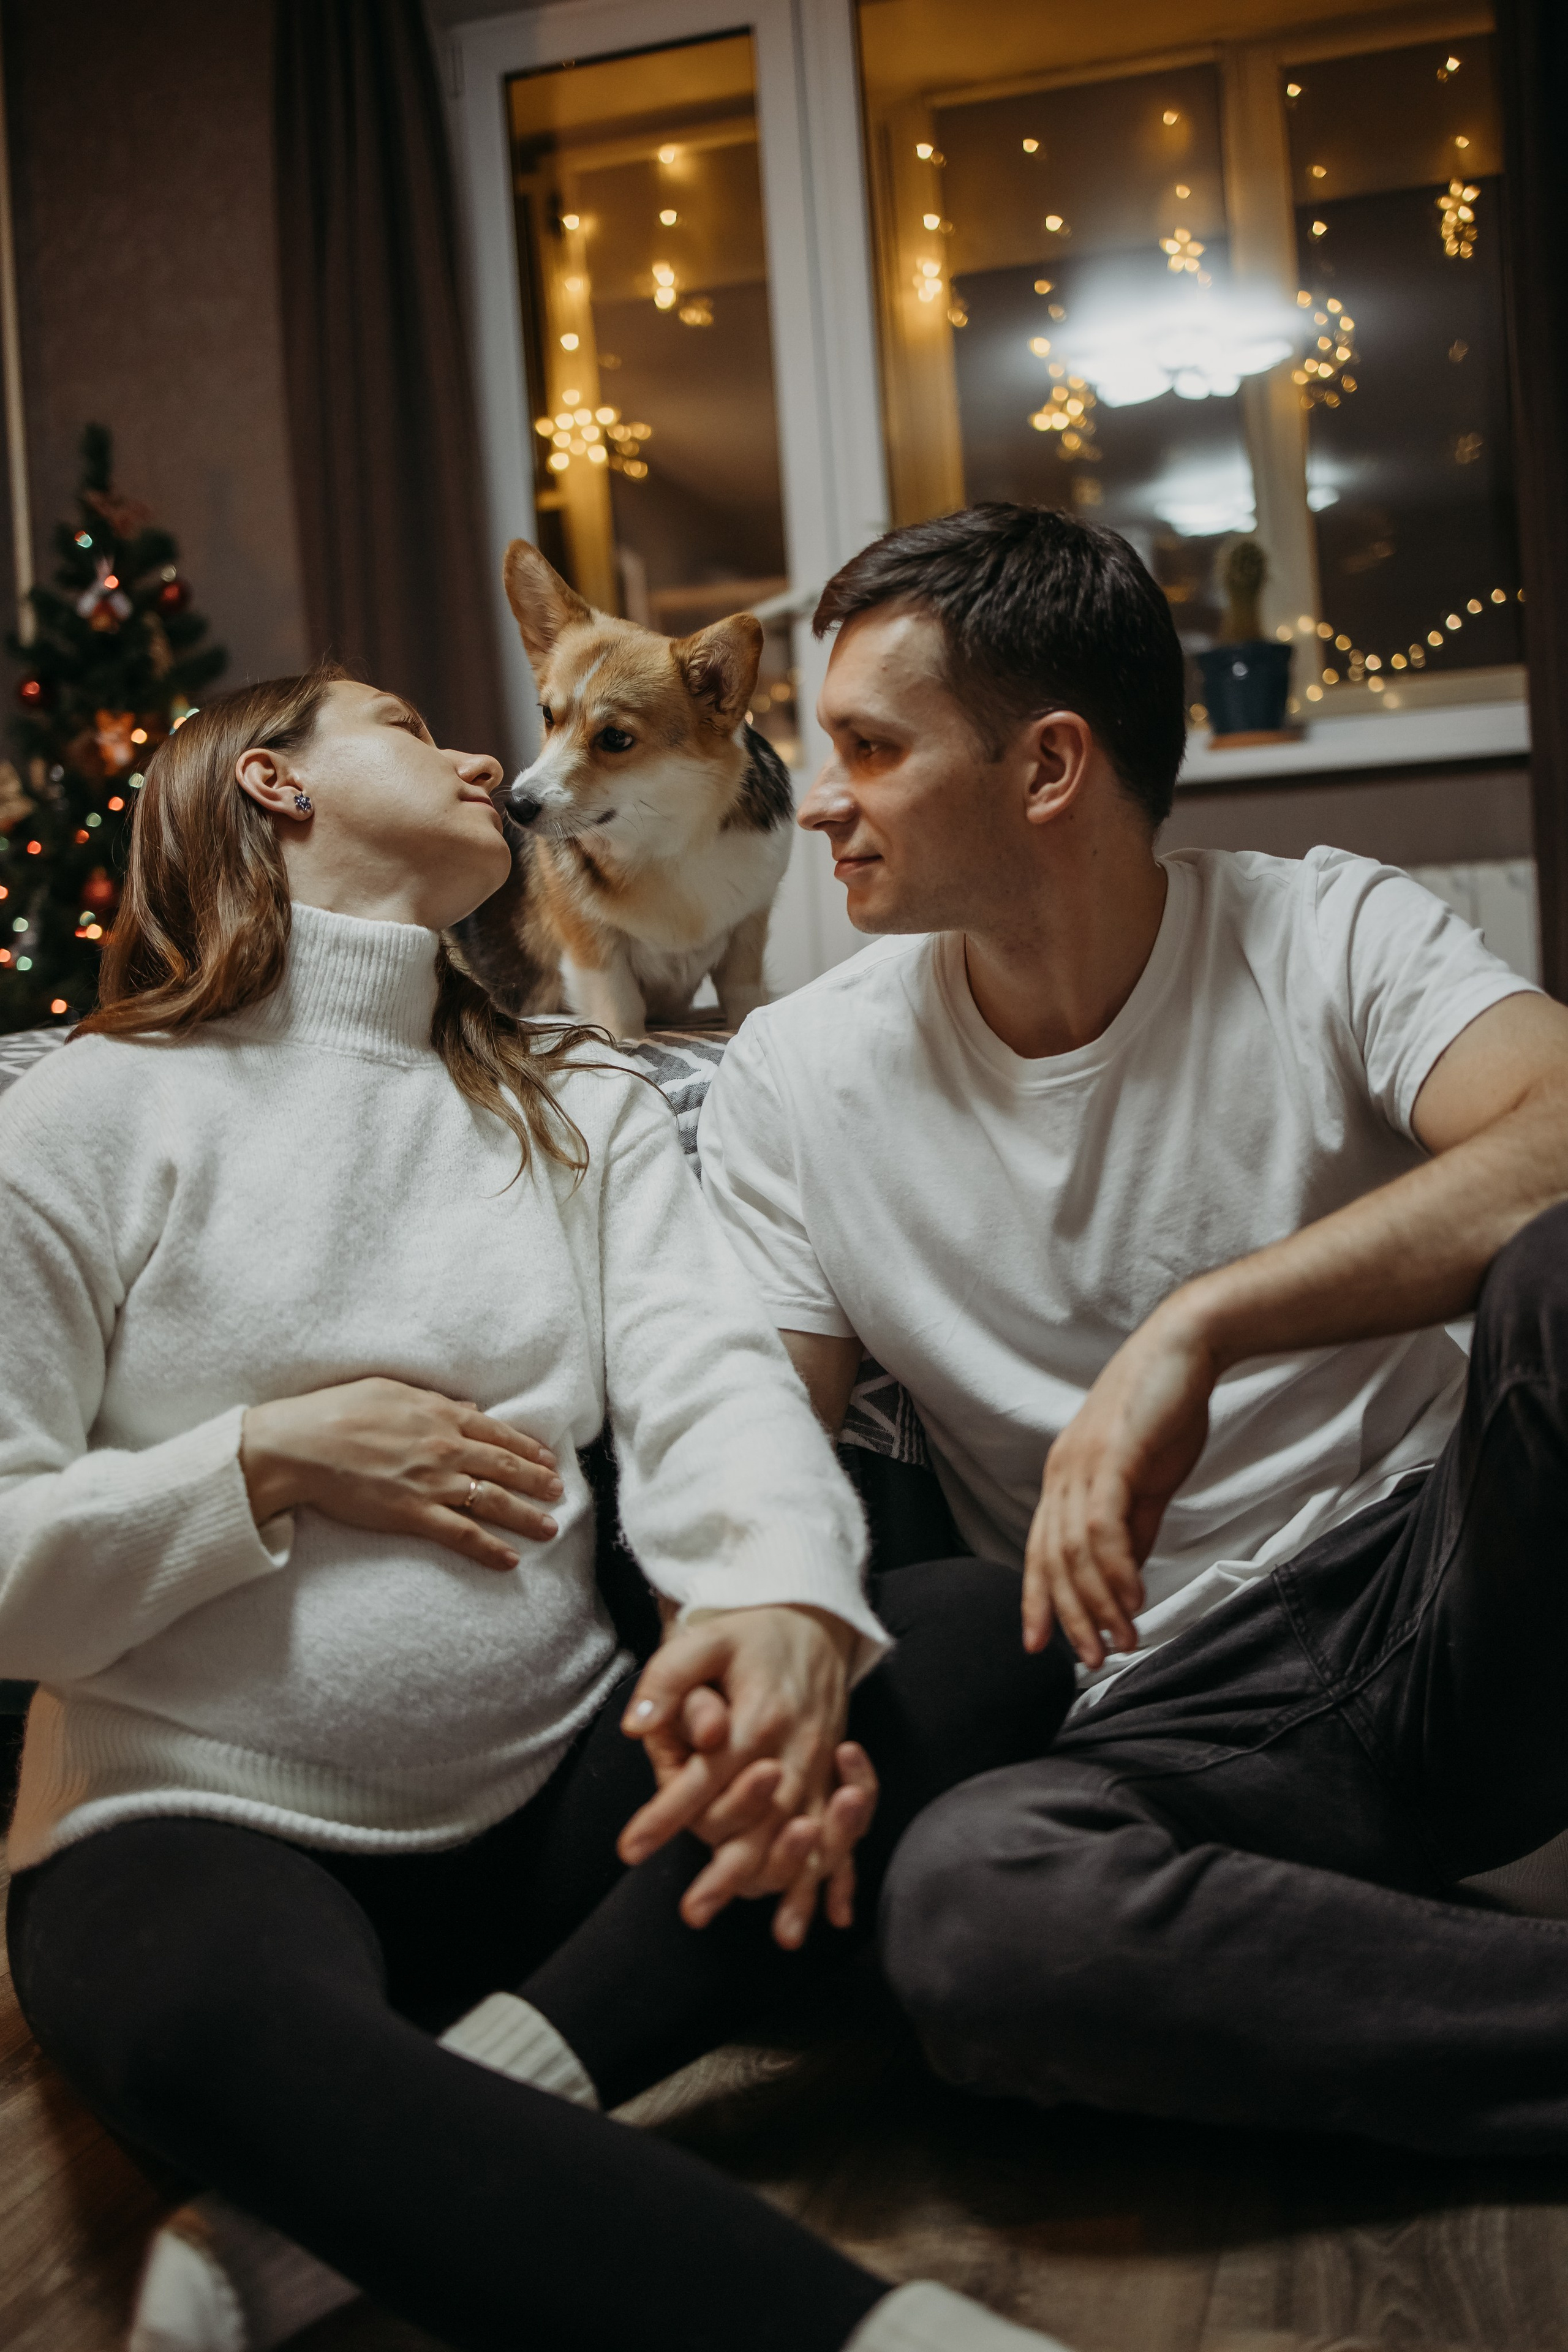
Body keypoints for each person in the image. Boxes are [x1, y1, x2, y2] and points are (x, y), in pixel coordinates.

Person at [0, 666, 1080, 2352]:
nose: (485, 757)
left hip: (571, 1811)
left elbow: (710, 1382)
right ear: (273, 789)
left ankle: (368, 2173)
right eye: (410, 732)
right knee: (182, 2018)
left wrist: (775, 1614)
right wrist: (263, 1459)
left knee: (978, 1635)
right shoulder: (84, 1116)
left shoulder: (577, 1101)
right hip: (210, 1828)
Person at [698, 501, 1568, 2157]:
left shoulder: (1325, 931)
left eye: (873, 749)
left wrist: (1207, 1320)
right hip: (1178, 1716)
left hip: (1454, 1593)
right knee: (972, 1913)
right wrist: (750, 1610)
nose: (820, 801)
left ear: (1047, 769)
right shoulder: (797, 1081)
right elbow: (755, 1426)